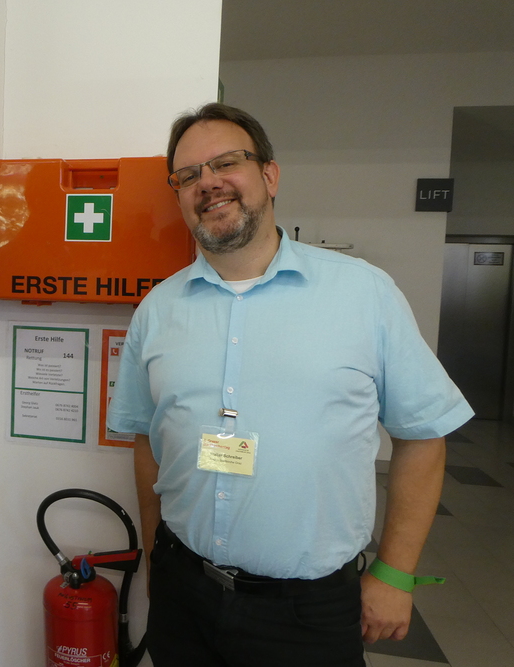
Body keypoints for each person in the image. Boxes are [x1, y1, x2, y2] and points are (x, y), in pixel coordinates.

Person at [107, 102, 472, 667]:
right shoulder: (157, 310)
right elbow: (145, 442)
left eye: (226, 162)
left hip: (307, 612)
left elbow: (423, 434)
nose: (208, 182)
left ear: (270, 175)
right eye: (188, 174)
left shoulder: (364, 294)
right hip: (184, 593)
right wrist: (157, 562)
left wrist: (395, 572)